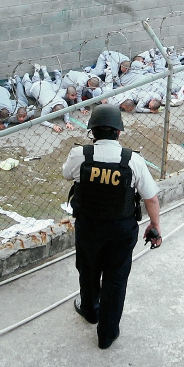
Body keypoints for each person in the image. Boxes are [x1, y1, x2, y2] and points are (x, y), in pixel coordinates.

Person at [63, 104, 161, 350]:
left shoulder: (80, 155)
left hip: (89, 227)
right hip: (121, 230)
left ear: (92, 132)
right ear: (119, 132)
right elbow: (150, 198)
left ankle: (90, 310)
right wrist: (155, 225)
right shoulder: (133, 160)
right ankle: (106, 335)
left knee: (88, 269)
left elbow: (67, 175)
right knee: (115, 280)